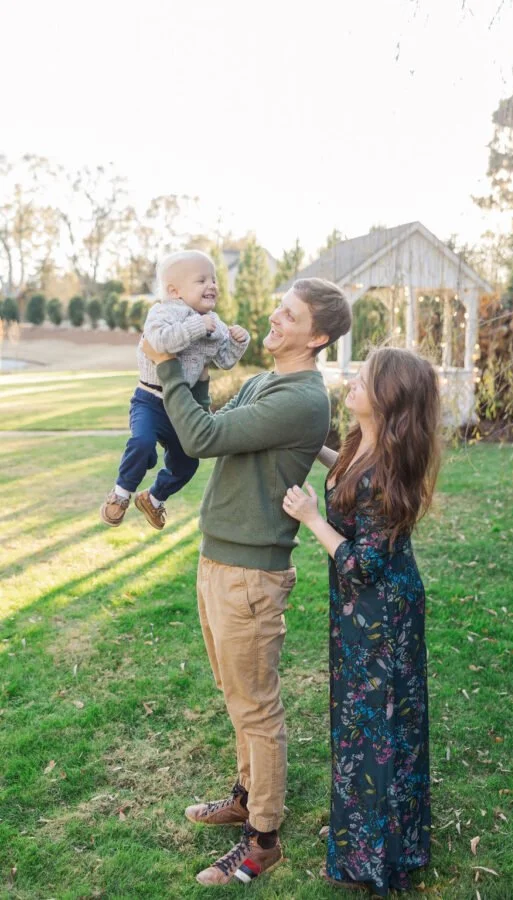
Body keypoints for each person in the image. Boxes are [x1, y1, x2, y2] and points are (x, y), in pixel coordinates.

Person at [141, 277, 352, 886]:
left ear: (316, 337)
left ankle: (262, 838)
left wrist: (168, 368)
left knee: (257, 708)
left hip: (251, 575)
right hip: (219, 561)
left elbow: (200, 437)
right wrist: (191, 365)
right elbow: (209, 421)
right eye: (278, 307)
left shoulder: (303, 399)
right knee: (237, 697)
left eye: (288, 314)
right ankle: (244, 793)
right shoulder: (267, 381)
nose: (273, 316)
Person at [284, 347, 440, 896]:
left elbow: (361, 562)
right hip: (360, 613)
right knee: (358, 721)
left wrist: (309, 519)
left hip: (382, 616)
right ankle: (367, 834)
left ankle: (379, 853)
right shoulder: (363, 445)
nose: (351, 381)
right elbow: (349, 478)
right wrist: (314, 450)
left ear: (389, 398)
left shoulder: (391, 471)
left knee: (377, 726)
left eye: (364, 378)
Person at [100, 250, 249, 530]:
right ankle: (120, 494)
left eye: (214, 279)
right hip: (150, 399)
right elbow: (160, 343)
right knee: (142, 443)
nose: (212, 285)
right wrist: (196, 326)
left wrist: (238, 341)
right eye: (202, 280)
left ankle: (154, 499)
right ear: (174, 291)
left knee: (188, 462)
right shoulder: (161, 312)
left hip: (179, 406)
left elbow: (225, 360)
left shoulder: (213, 323)